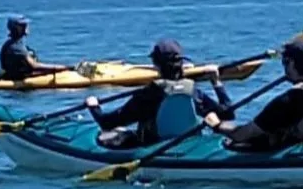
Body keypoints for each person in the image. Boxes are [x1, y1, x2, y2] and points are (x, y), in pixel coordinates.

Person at [85, 39, 231, 149]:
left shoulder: (149, 93)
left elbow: (107, 123)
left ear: (155, 65)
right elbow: (227, 114)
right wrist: (216, 82)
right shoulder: (192, 91)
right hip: (189, 145)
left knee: (113, 134)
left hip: (153, 147)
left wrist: (94, 107)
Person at [219, 40, 303, 154]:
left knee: (254, 139)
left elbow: (243, 134)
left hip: (297, 150)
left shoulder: (292, 98)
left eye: (285, 62)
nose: (284, 67)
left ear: (293, 64)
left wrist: (216, 124)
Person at [0, 16, 66, 81]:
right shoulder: (16, 47)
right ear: (17, 28)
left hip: (19, 75)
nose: (27, 26)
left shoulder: (13, 43)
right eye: (24, 25)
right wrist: (61, 68)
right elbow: (34, 66)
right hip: (17, 78)